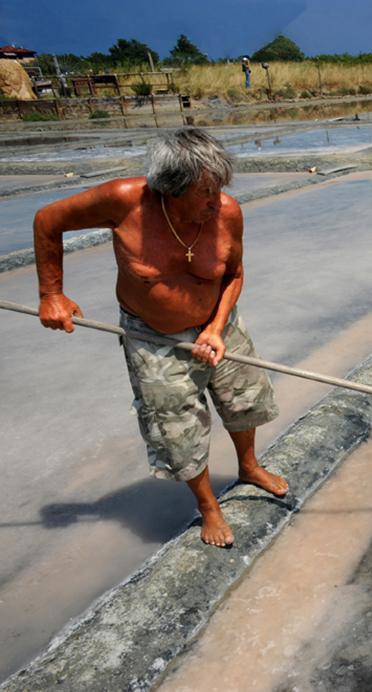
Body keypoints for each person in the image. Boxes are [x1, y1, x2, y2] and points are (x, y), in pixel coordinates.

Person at [33, 127, 286, 549]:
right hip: (151, 335)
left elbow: (235, 274)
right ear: (171, 188)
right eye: (205, 192)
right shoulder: (124, 201)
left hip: (217, 322)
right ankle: (207, 506)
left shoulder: (227, 213)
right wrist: (51, 293)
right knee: (175, 425)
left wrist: (216, 327)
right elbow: (47, 221)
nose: (215, 200)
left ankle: (249, 466)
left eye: (220, 188)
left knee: (244, 398)